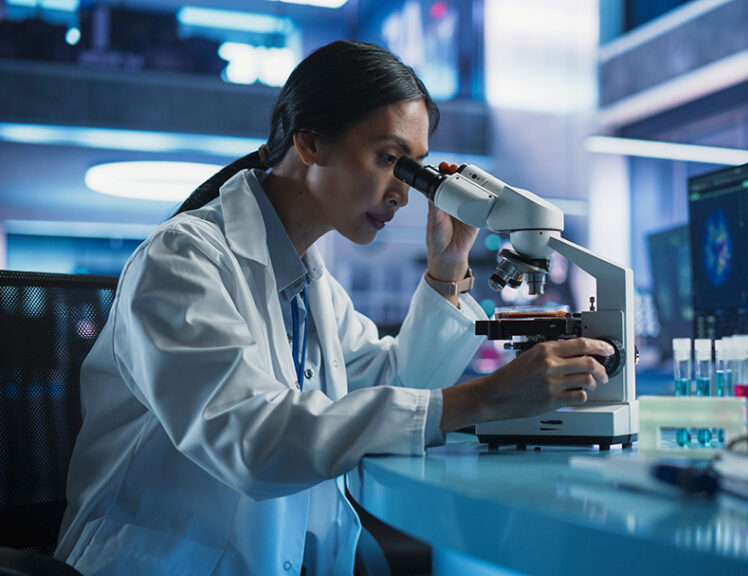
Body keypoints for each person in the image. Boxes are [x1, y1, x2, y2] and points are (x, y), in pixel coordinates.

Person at [54, 41, 612, 575]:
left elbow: (393, 385)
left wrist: (446, 269)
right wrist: (485, 398)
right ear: (312, 143)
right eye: (389, 159)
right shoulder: (181, 261)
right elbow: (249, 438)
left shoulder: (310, 281)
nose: (402, 192)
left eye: (415, 171)